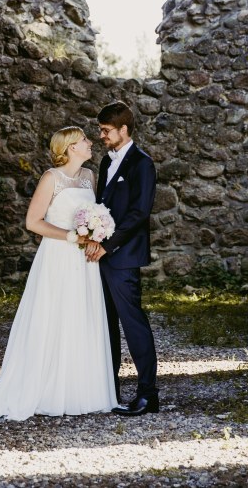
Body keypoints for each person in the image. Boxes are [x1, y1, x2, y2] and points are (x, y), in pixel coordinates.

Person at [0, 127, 117, 420]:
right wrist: (75, 237)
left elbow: (93, 215)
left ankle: (80, 391)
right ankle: (45, 389)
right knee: (53, 317)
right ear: (72, 147)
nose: (90, 143)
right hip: (59, 256)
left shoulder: (89, 177)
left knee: (81, 316)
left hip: (85, 263)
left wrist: (97, 233)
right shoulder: (51, 178)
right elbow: (33, 222)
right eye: (85, 140)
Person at [85, 101, 160, 416]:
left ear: (124, 130)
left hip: (123, 257)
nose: (101, 136)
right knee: (106, 327)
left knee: (134, 324)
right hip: (100, 257)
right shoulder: (105, 163)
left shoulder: (142, 164)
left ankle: (148, 394)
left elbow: (139, 213)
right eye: (100, 130)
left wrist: (108, 245)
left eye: (106, 130)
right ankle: (109, 389)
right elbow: (103, 208)